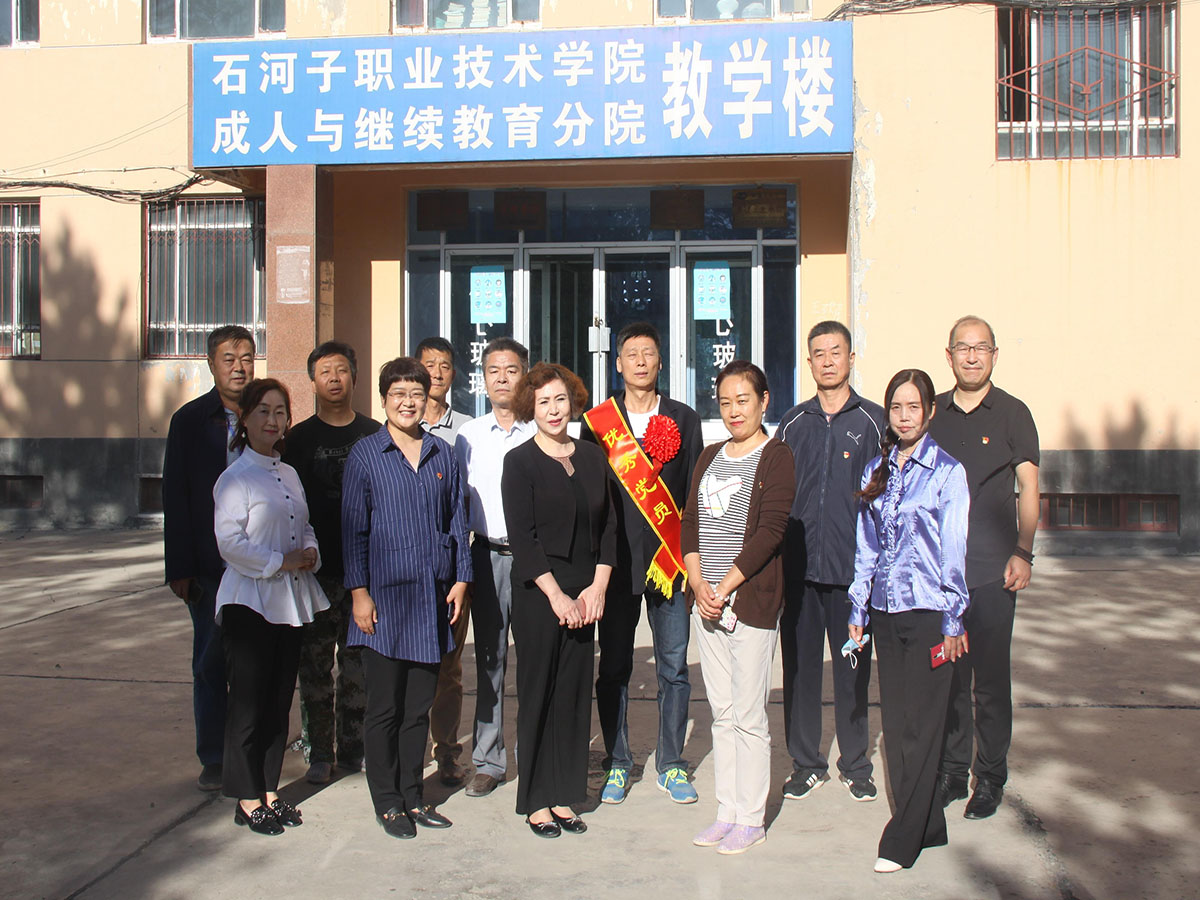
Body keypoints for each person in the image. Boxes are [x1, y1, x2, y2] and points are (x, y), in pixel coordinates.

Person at [342, 357, 472, 840]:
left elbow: (458, 520)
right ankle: (388, 802)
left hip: (430, 598)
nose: (408, 402)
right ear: (384, 400)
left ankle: (413, 796)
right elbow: (353, 529)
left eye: (416, 393)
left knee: (418, 706)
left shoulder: (442, 453)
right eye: (398, 394)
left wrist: (461, 579)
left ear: (427, 398)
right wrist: (359, 593)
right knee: (385, 708)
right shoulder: (366, 454)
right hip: (383, 600)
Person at [846, 368, 970, 873]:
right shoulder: (876, 470)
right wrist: (858, 609)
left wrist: (953, 620)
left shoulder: (948, 473)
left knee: (923, 726)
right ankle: (928, 825)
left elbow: (954, 553)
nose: (904, 416)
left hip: (929, 614)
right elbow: (866, 549)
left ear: (930, 411)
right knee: (896, 725)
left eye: (913, 407)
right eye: (896, 407)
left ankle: (902, 838)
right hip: (884, 610)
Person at [582, 322, 703, 805]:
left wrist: (694, 565)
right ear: (618, 363)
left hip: (668, 565)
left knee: (674, 668)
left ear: (660, 361)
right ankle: (618, 762)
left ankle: (671, 763)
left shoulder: (684, 418)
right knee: (614, 668)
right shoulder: (598, 423)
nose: (639, 361)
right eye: (630, 354)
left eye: (648, 353)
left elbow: (692, 497)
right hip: (615, 566)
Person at [681, 361, 794, 855]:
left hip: (748, 602)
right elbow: (689, 522)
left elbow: (771, 532)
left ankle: (751, 817)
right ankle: (725, 811)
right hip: (706, 603)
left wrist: (724, 585)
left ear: (764, 401)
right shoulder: (709, 455)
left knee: (749, 715)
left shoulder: (777, 456)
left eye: (743, 400)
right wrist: (697, 580)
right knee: (722, 714)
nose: (734, 411)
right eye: (725, 402)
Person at [501, 363, 617, 837]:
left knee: (573, 693)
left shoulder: (592, 456)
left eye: (560, 400)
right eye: (543, 401)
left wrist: (597, 587)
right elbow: (523, 538)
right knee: (539, 692)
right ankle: (536, 799)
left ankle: (566, 794)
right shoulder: (520, 462)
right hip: (540, 593)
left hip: (586, 593)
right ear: (530, 407)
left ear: (573, 402)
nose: (553, 410)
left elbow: (609, 527)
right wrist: (556, 596)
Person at [931, 316, 1040, 820]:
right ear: (948, 355)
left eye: (981, 348)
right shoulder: (934, 413)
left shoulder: (1014, 413)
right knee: (949, 678)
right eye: (963, 348)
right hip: (941, 574)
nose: (972, 356)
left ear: (994, 355)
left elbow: (1029, 488)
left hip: (995, 572)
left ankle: (990, 776)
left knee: (991, 682)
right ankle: (953, 773)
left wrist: (1023, 551)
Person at [213, 378, 329, 836]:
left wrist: (310, 549)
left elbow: (304, 524)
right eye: (262, 410)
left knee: (279, 701)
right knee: (248, 702)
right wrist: (281, 561)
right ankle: (246, 797)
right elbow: (230, 544)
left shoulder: (289, 473)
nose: (272, 420)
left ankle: (268, 788)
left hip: (288, 601)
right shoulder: (234, 478)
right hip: (249, 602)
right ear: (245, 418)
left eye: (280, 411)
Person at [775, 321, 884, 802]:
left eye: (835, 352)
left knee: (852, 672)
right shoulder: (792, 423)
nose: (827, 361)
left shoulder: (874, 422)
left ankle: (856, 763)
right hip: (799, 575)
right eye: (818, 353)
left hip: (852, 576)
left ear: (851, 358)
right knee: (799, 672)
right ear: (809, 362)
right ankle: (806, 763)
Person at [162, 325, 256, 791]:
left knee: (255, 664)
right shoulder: (190, 421)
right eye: (228, 359)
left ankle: (250, 754)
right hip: (210, 566)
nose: (238, 367)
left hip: (260, 564)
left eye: (246, 358)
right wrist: (179, 567)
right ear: (211, 364)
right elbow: (175, 496)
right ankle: (215, 757)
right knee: (210, 662)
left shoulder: (267, 415)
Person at [282, 341, 380, 784]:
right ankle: (320, 751)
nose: (334, 378)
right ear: (313, 381)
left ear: (354, 377)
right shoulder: (297, 440)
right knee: (315, 666)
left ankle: (354, 749)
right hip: (314, 574)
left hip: (364, 573)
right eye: (325, 372)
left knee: (358, 666)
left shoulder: (374, 434)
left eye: (341, 370)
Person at [454, 338, 536, 798]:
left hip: (532, 559)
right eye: (493, 371)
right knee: (490, 661)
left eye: (511, 370)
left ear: (525, 374)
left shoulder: (540, 428)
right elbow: (456, 505)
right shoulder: (469, 436)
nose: (502, 378)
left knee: (534, 660)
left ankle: (533, 755)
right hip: (485, 557)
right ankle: (488, 761)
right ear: (482, 379)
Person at [416, 336, 474, 787]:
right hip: (409, 566)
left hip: (453, 562)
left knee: (449, 668)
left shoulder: (468, 431)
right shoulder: (399, 424)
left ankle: (448, 752)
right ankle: (407, 753)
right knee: (409, 663)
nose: (437, 372)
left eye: (445, 365)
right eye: (429, 364)